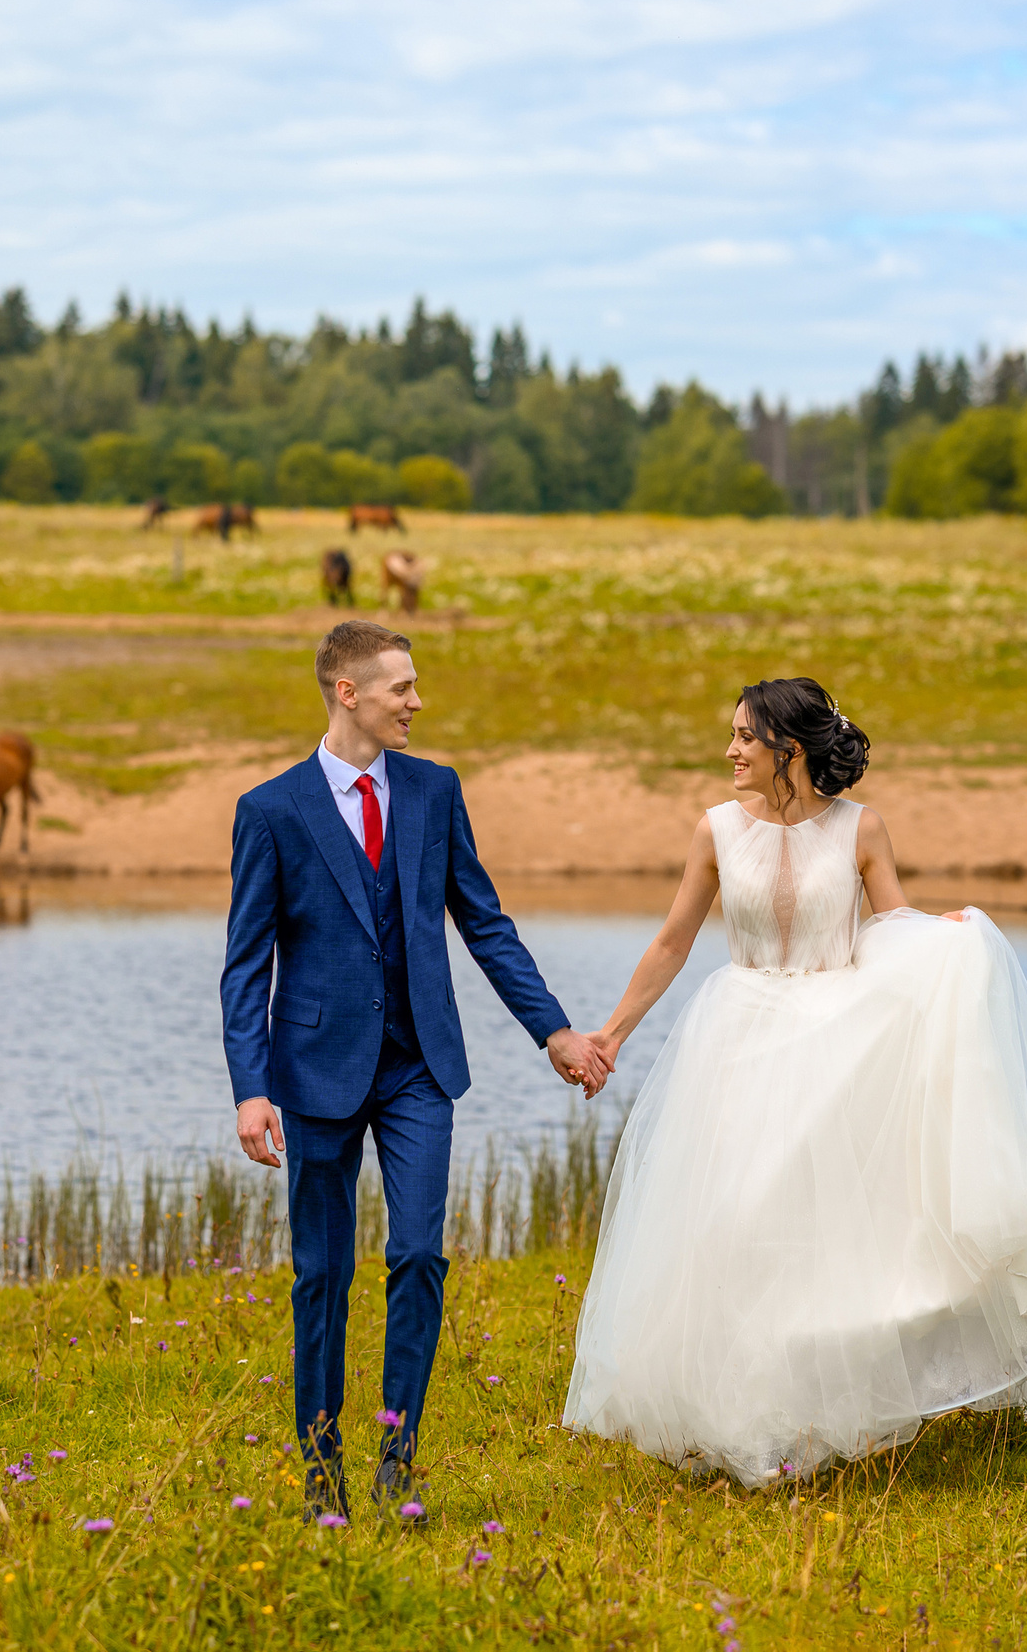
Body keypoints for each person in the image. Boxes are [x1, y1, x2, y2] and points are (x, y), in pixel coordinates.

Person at [563, 677, 1027, 1486]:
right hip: (738, 1041)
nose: (728, 752)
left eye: (743, 739)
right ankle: (741, 1420)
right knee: (738, 1223)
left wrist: (950, 937)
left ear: (788, 750)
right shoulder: (714, 830)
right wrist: (610, 1034)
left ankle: (836, 1413)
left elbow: (894, 932)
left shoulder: (862, 828)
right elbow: (673, 942)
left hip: (840, 1038)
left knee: (839, 1239)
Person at [222, 620, 612, 1521]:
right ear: (348, 693)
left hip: (420, 1069)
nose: (417, 702)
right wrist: (250, 1088)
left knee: (418, 1255)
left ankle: (398, 1456)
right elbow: (246, 964)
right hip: (313, 1072)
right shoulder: (272, 810)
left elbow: (484, 922)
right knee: (321, 1274)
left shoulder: (436, 792)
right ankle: (322, 1471)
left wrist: (550, 1030)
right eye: (401, 687)